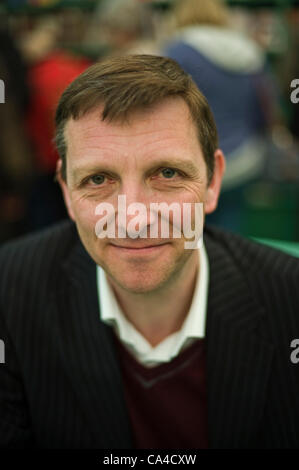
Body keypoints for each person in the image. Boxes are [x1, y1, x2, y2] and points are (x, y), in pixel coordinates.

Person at [0, 55, 298, 450]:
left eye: (168, 174)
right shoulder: (9, 293)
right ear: (67, 194)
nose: (134, 219)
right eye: (99, 179)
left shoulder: (290, 301)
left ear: (212, 183)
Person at [162, 0, 279, 232]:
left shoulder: (177, 51)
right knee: (231, 233)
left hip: (191, 161)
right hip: (245, 160)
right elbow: (266, 111)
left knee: (189, 235)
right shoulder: (251, 52)